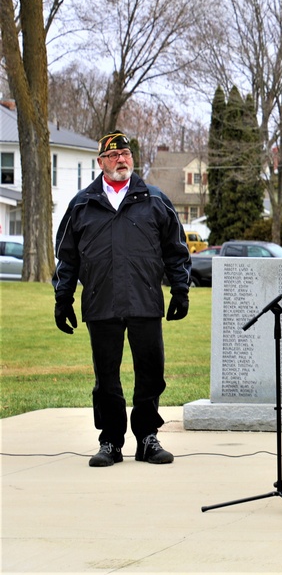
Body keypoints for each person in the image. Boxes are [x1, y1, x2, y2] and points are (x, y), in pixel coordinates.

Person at [52, 132, 191, 467]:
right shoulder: (82, 204)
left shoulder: (154, 200)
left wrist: (180, 290)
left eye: (126, 154)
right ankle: (111, 442)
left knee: (150, 372)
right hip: (101, 302)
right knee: (106, 378)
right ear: (101, 162)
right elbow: (67, 258)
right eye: (113, 155)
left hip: (144, 300)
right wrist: (63, 298)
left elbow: (176, 250)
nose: (121, 160)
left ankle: (147, 439)